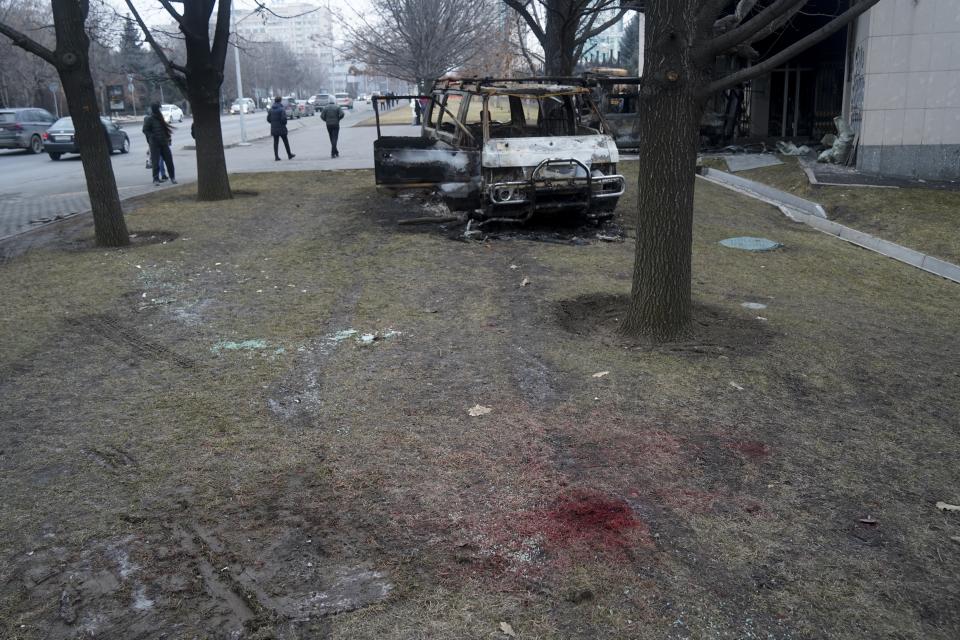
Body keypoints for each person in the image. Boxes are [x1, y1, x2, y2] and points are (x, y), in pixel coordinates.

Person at [143, 102, 176, 186]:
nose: (160, 110)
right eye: (159, 108)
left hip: (164, 143)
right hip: (155, 144)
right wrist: (152, 136)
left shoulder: (160, 118)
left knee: (169, 161)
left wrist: (168, 138)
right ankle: (156, 179)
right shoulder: (149, 119)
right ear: (155, 109)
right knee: (155, 162)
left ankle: (172, 177)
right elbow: (145, 130)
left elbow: (165, 130)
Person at [267, 96, 295, 161]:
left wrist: (273, 123)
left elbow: (268, 119)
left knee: (275, 142)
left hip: (274, 128)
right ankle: (289, 155)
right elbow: (284, 119)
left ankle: (276, 157)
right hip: (281, 128)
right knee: (285, 141)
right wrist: (284, 124)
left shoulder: (271, 109)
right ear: (280, 101)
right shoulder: (282, 109)